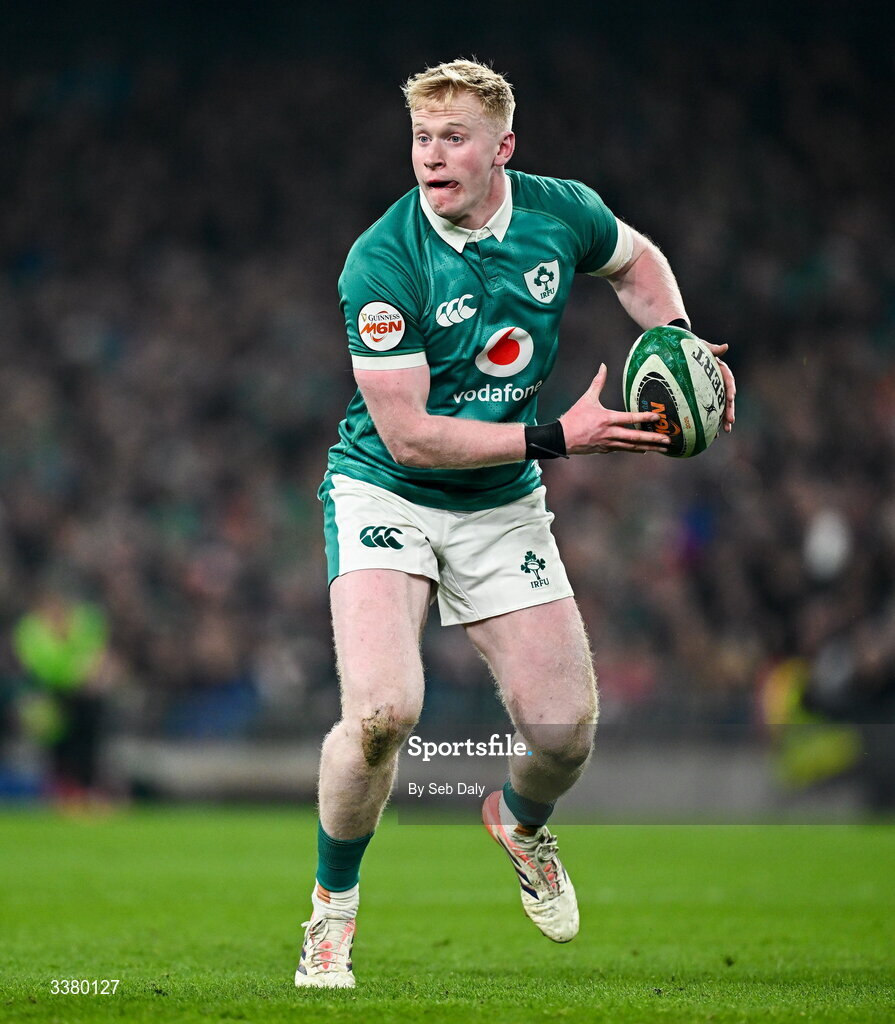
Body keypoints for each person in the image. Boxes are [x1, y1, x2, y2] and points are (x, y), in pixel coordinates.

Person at [295, 59, 735, 988]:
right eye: (420, 138)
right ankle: (331, 913)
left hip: (499, 504)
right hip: (385, 492)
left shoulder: (558, 210)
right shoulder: (380, 262)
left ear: (503, 147)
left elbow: (637, 261)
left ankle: (520, 824)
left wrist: (682, 343)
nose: (431, 156)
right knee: (382, 715)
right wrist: (557, 437)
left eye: (452, 138)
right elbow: (408, 438)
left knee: (565, 729)